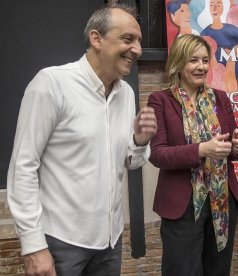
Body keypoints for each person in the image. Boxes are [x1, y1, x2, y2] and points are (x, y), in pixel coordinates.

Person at [7, 4, 157, 276]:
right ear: (96, 38)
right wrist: (33, 245)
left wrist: (140, 140)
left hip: (110, 243)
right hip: (60, 243)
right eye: (128, 39)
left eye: (139, 42)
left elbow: (130, 163)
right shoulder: (51, 84)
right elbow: (23, 166)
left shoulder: (125, 93)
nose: (137, 49)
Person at [148, 34, 238, 276]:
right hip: (182, 204)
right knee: (181, 270)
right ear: (179, 62)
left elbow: (231, 146)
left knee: (218, 270)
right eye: (193, 60)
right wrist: (201, 150)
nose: (201, 66)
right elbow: (158, 154)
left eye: (205, 60)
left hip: (222, 200)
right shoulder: (160, 100)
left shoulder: (220, 98)